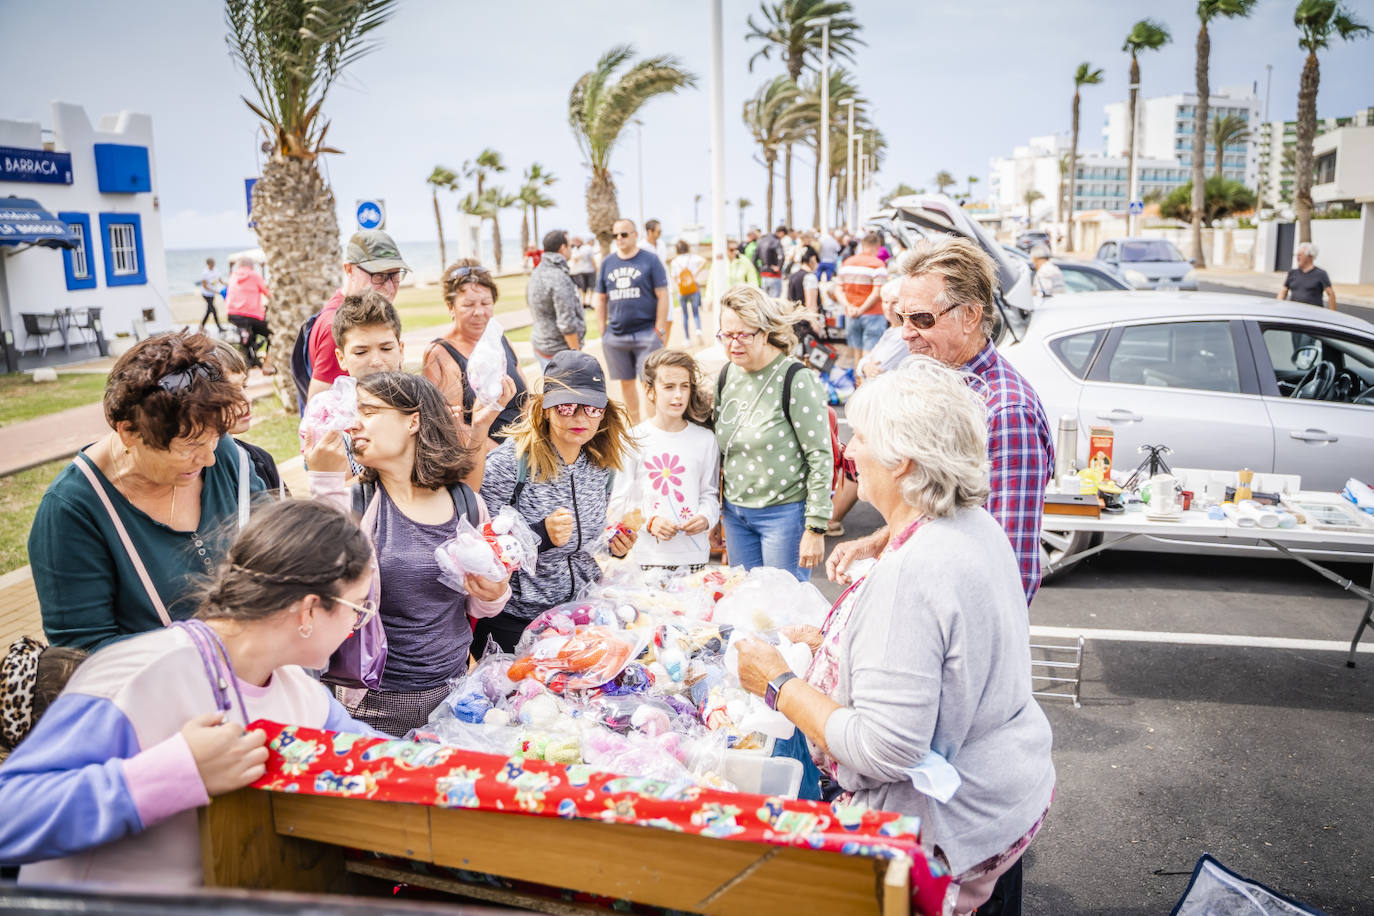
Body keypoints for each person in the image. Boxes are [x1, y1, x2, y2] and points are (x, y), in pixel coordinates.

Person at [734, 359, 1055, 916]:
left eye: (859, 436)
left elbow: (887, 747)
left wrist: (778, 684)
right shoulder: (971, 524)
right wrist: (833, 649)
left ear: (900, 459)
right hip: (1003, 800)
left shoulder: (916, 570)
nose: (850, 452)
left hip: (945, 833)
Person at [0, 499, 387, 887]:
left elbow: (378, 754)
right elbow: (10, 816)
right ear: (309, 610)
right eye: (356, 606)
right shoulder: (139, 675)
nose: (358, 622)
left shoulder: (299, 693)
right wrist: (179, 771)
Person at [828, 237, 1054, 605]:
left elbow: (1012, 571)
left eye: (921, 319)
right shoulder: (943, 385)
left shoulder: (1008, 414)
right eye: (902, 317)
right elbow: (939, 514)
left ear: (970, 316)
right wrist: (876, 542)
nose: (905, 332)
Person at [28, 332, 267, 652]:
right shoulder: (72, 512)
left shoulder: (223, 454)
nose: (209, 457)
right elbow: (83, 651)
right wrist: (209, 639)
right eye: (190, 446)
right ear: (129, 431)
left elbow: (276, 543)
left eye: (217, 436)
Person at [309, 372, 510, 735]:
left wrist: (495, 594)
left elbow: (477, 606)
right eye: (354, 413)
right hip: (371, 705)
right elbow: (321, 587)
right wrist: (324, 483)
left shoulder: (467, 503)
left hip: (454, 692)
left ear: (413, 420)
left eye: (368, 411)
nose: (353, 423)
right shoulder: (353, 503)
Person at [477, 350, 638, 652]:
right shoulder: (508, 465)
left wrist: (613, 545)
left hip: (581, 613)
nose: (579, 417)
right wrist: (540, 536)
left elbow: (582, 547)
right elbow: (478, 551)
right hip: (516, 622)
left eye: (591, 408)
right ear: (545, 410)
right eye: (566, 407)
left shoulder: (601, 465)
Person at [714, 286, 832, 582]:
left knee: (784, 609)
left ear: (765, 332)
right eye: (726, 335)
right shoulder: (728, 374)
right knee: (747, 607)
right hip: (736, 514)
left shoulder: (796, 378)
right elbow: (722, 451)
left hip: (784, 516)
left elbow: (820, 455)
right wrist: (718, 512)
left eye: (744, 335)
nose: (734, 344)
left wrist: (816, 527)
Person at [610, 349, 719, 577]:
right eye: (669, 387)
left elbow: (710, 494)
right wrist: (650, 521)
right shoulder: (632, 440)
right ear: (650, 391)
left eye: (684, 386)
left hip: (694, 557)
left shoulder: (706, 440)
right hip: (647, 559)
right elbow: (619, 502)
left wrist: (706, 518)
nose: (678, 395)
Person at [424, 260, 527, 450]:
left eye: (486, 303)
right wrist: (507, 456)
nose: (479, 312)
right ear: (450, 307)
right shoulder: (441, 354)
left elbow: (526, 402)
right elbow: (453, 429)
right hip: (486, 458)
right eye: (468, 305)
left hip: (523, 449)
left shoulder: (502, 342)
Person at [306, 230, 411, 401]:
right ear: (349, 269)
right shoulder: (342, 325)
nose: (389, 287)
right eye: (379, 276)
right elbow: (317, 407)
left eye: (395, 275)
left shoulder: (345, 310)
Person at [594, 219, 669, 423]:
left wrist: (660, 327)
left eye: (624, 234)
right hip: (616, 336)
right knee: (626, 383)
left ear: (635, 235)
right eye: (616, 235)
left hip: (646, 333)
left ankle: (654, 427)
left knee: (649, 383)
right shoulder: (607, 263)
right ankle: (635, 426)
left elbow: (663, 294)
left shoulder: (650, 260)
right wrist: (602, 330)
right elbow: (600, 298)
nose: (619, 239)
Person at [209, 339, 286, 495]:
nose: (246, 399)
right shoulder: (192, 474)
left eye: (244, 386)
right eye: (229, 391)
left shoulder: (260, 461)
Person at [526, 230, 585, 368]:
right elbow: (566, 322)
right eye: (570, 246)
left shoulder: (538, 271)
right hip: (559, 351)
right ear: (562, 248)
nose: (572, 250)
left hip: (541, 344)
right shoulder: (558, 276)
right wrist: (576, 355)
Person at [837, 232, 889, 366]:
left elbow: (838, 289)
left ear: (862, 245)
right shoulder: (878, 265)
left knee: (856, 354)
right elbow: (877, 292)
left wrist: (849, 307)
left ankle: (857, 384)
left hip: (851, 314)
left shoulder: (847, 263)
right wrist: (861, 310)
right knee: (870, 355)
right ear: (877, 246)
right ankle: (866, 385)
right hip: (873, 314)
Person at [225, 257, 272, 372]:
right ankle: (267, 365)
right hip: (252, 316)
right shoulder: (254, 275)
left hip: (233, 315)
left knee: (247, 334)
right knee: (272, 334)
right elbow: (267, 292)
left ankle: (246, 358)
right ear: (251, 266)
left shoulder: (233, 276)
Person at [669, 239, 708, 345]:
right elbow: (704, 261)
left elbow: (674, 276)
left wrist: (679, 283)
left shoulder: (675, 261)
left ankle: (687, 339)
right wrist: (695, 274)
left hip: (682, 290)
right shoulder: (693, 257)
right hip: (693, 287)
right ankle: (698, 329)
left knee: (685, 314)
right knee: (695, 312)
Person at [1278, 242, 1337, 310]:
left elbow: (1331, 294)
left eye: (1300, 255)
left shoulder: (1321, 274)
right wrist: (1278, 307)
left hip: (1313, 315)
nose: (1297, 258)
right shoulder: (1292, 273)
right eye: (1297, 255)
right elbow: (1283, 291)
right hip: (1294, 311)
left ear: (1310, 257)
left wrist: (1332, 313)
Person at [704, 238, 761, 307]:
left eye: (736, 249)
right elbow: (711, 281)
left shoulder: (744, 260)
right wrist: (709, 298)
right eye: (731, 250)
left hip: (740, 300)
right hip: (723, 300)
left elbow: (753, 280)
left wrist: (754, 296)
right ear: (725, 250)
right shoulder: (719, 262)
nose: (735, 252)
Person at [786, 245, 821, 314]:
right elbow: (811, 305)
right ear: (813, 259)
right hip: (806, 320)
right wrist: (815, 323)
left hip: (794, 318)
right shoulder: (810, 277)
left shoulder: (792, 276)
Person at [756, 225, 786, 298]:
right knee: (775, 303)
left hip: (763, 275)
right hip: (774, 275)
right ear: (781, 233)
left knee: (765, 303)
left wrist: (760, 269)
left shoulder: (760, 241)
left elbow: (754, 259)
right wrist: (779, 267)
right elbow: (781, 256)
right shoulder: (776, 241)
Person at [569, 235, 598, 307]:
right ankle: (584, 302)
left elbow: (592, 259)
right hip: (580, 271)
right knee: (583, 288)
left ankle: (588, 303)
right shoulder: (575, 249)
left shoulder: (586, 248)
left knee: (589, 288)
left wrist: (595, 269)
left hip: (588, 270)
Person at [197, 258, 225, 333]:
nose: (214, 264)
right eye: (212, 263)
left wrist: (226, 284)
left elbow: (220, 280)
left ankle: (201, 326)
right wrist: (215, 291)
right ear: (209, 264)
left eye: (214, 263)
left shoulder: (215, 270)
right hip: (206, 294)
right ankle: (219, 328)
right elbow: (205, 286)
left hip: (212, 294)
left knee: (209, 311)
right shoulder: (205, 273)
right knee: (214, 311)